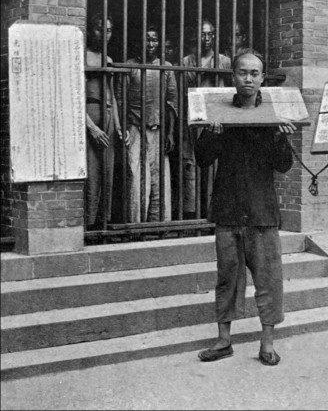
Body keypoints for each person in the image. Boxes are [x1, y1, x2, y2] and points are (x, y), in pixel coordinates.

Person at [195, 49, 295, 366]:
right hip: (228, 208)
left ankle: (267, 343)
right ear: (233, 76)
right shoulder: (220, 114)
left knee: (268, 279)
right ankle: (224, 341)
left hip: (261, 211)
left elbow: (284, 165)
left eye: (254, 73)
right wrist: (211, 134)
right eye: (242, 72)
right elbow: (202, 159)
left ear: (262, 78)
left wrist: (280, 137)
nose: (248, 79)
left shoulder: (272, 116)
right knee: (227, 278)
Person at [116, 25, 178, 222]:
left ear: (159, 43)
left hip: (159, 131)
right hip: (135, 129)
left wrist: (170, 133)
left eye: (154, 39)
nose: (151, 44)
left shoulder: (166, 68)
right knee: (136, 179)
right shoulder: (129, 66)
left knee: (160, 180)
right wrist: (124, 127)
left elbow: (172, 102)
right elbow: (120, 99)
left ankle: (158, 225)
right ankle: (136, 226)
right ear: (139, 42)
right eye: (147, 39)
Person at [176, 20, 232, 219]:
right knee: (191, 166)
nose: (206, 38)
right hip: (195, 119)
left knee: (214, 166)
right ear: (195, 36)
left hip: (217, 120)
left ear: (215, 36)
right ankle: (192, 215)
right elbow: (183, 92)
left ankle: (212, 212)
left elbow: (230, 91)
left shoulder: (224, 61)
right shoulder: (187, 61)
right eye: (202, 34)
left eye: (210, 34)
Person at [85, 13, 128, 229]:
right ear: (90, 30)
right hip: (91, 114)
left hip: (109, 116)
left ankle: (103, 224)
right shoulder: (82, 56)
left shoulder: (108, 59)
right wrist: (91, 127)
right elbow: (75, 95)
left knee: (107, 173)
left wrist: (119, 126)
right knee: (92, 174)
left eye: (109, 30)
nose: (104, 34)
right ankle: (89, 224)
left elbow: (112, 96)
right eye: (100, 29)